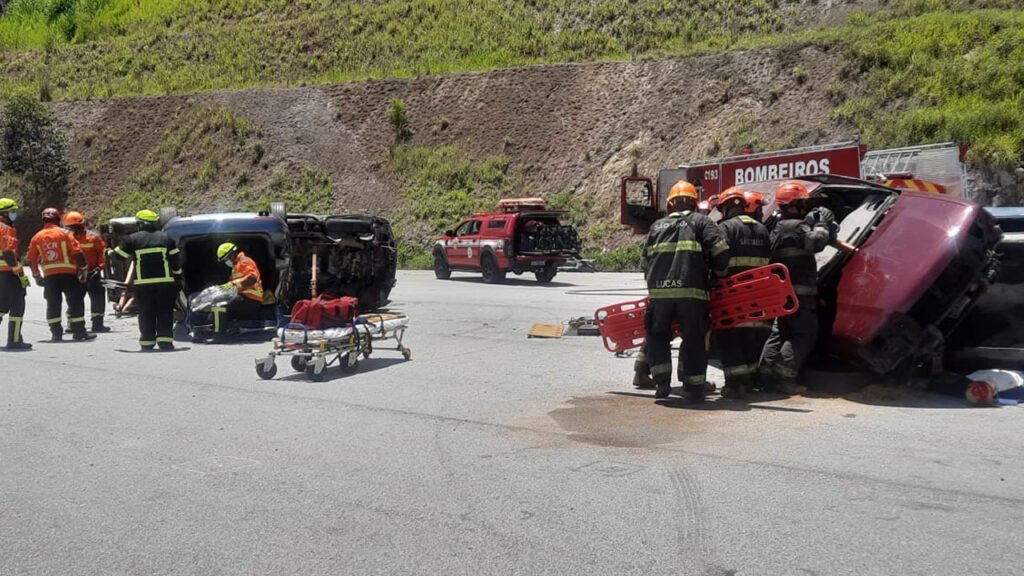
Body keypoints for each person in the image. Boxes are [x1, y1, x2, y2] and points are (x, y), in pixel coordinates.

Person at [643, 180, 730, 402]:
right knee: (694, 339)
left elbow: (645, 262)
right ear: (693, 203)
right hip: (692, 293)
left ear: (670, 205)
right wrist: (719, 273)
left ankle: (662, 383)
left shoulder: (656, 226)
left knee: (657, 335)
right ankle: (694, 387)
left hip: (660, 294)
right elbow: (720, 253)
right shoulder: (702, 222)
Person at [759, 181, 836, 395]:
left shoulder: (776, 228)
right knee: (805, 334)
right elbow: (816, 243)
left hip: (783, 294)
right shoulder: (795, 225)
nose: (805, 207)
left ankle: (765, 375)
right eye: (802, 203)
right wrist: (822, 224)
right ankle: (785, 378)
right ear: (793, 205)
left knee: (780, 333)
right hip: (799, 293)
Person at [711, 187, 771, 398]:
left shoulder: (724, 228)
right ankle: (751, 381)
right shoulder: (763, 230)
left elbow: (721, 262)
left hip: (732, 296)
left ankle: (735, 385)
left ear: (726, 207)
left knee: (728, 339)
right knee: (752, 339)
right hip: (758, 297)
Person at [111, 210, 181, 351]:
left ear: (140, 224)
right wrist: (178, 277)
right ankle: (165, 342)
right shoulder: (166, 238)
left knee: (146, 312)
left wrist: (108, 252)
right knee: (165, 312)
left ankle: (147, 343)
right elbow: (176, 262)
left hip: (143, 285)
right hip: (165, 284)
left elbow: (117, 257)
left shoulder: (132, 239)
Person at [27, 208, 94, 342]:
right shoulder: (65, 233)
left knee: (53, 304)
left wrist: (36, 276)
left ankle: (56, 334)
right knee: (75, 303)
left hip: (50, 277)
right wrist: (84, 269)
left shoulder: (37, 237)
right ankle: (79, 333)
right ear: (58, 220)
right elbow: (77, 252)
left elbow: (31, 259)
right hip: (69, 275)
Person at [63, 210, 110, 333]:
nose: (71, 230)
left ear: (80, 225)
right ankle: (73, 324)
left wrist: (99, 267)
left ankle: (97, 324)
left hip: (92, 273)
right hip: (75, 275)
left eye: (73, 227)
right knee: (74, 299)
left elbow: (102, 254)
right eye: (69, 227)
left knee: (98, 298)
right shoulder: (66, 239)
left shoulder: (93, 237)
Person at [209, 242, 264, 336]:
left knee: (219, 305)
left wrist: (233, 284)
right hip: (244, 298)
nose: (226, 262)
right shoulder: (236, 266)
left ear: (232, 254)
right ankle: (226, 329)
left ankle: (219, 335)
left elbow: (252, 278)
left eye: (226, 259)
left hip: (251, 299)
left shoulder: (244, 261)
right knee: (216, 307)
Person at [0, 198, 32, 350]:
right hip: (8, 273)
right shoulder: (5, 228)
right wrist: (20, 274)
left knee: (1, 306)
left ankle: (15, 338)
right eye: (12, 211)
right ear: (4, 213)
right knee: (17, 306)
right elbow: (8, 254)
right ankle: (14, 340)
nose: (14, 214)